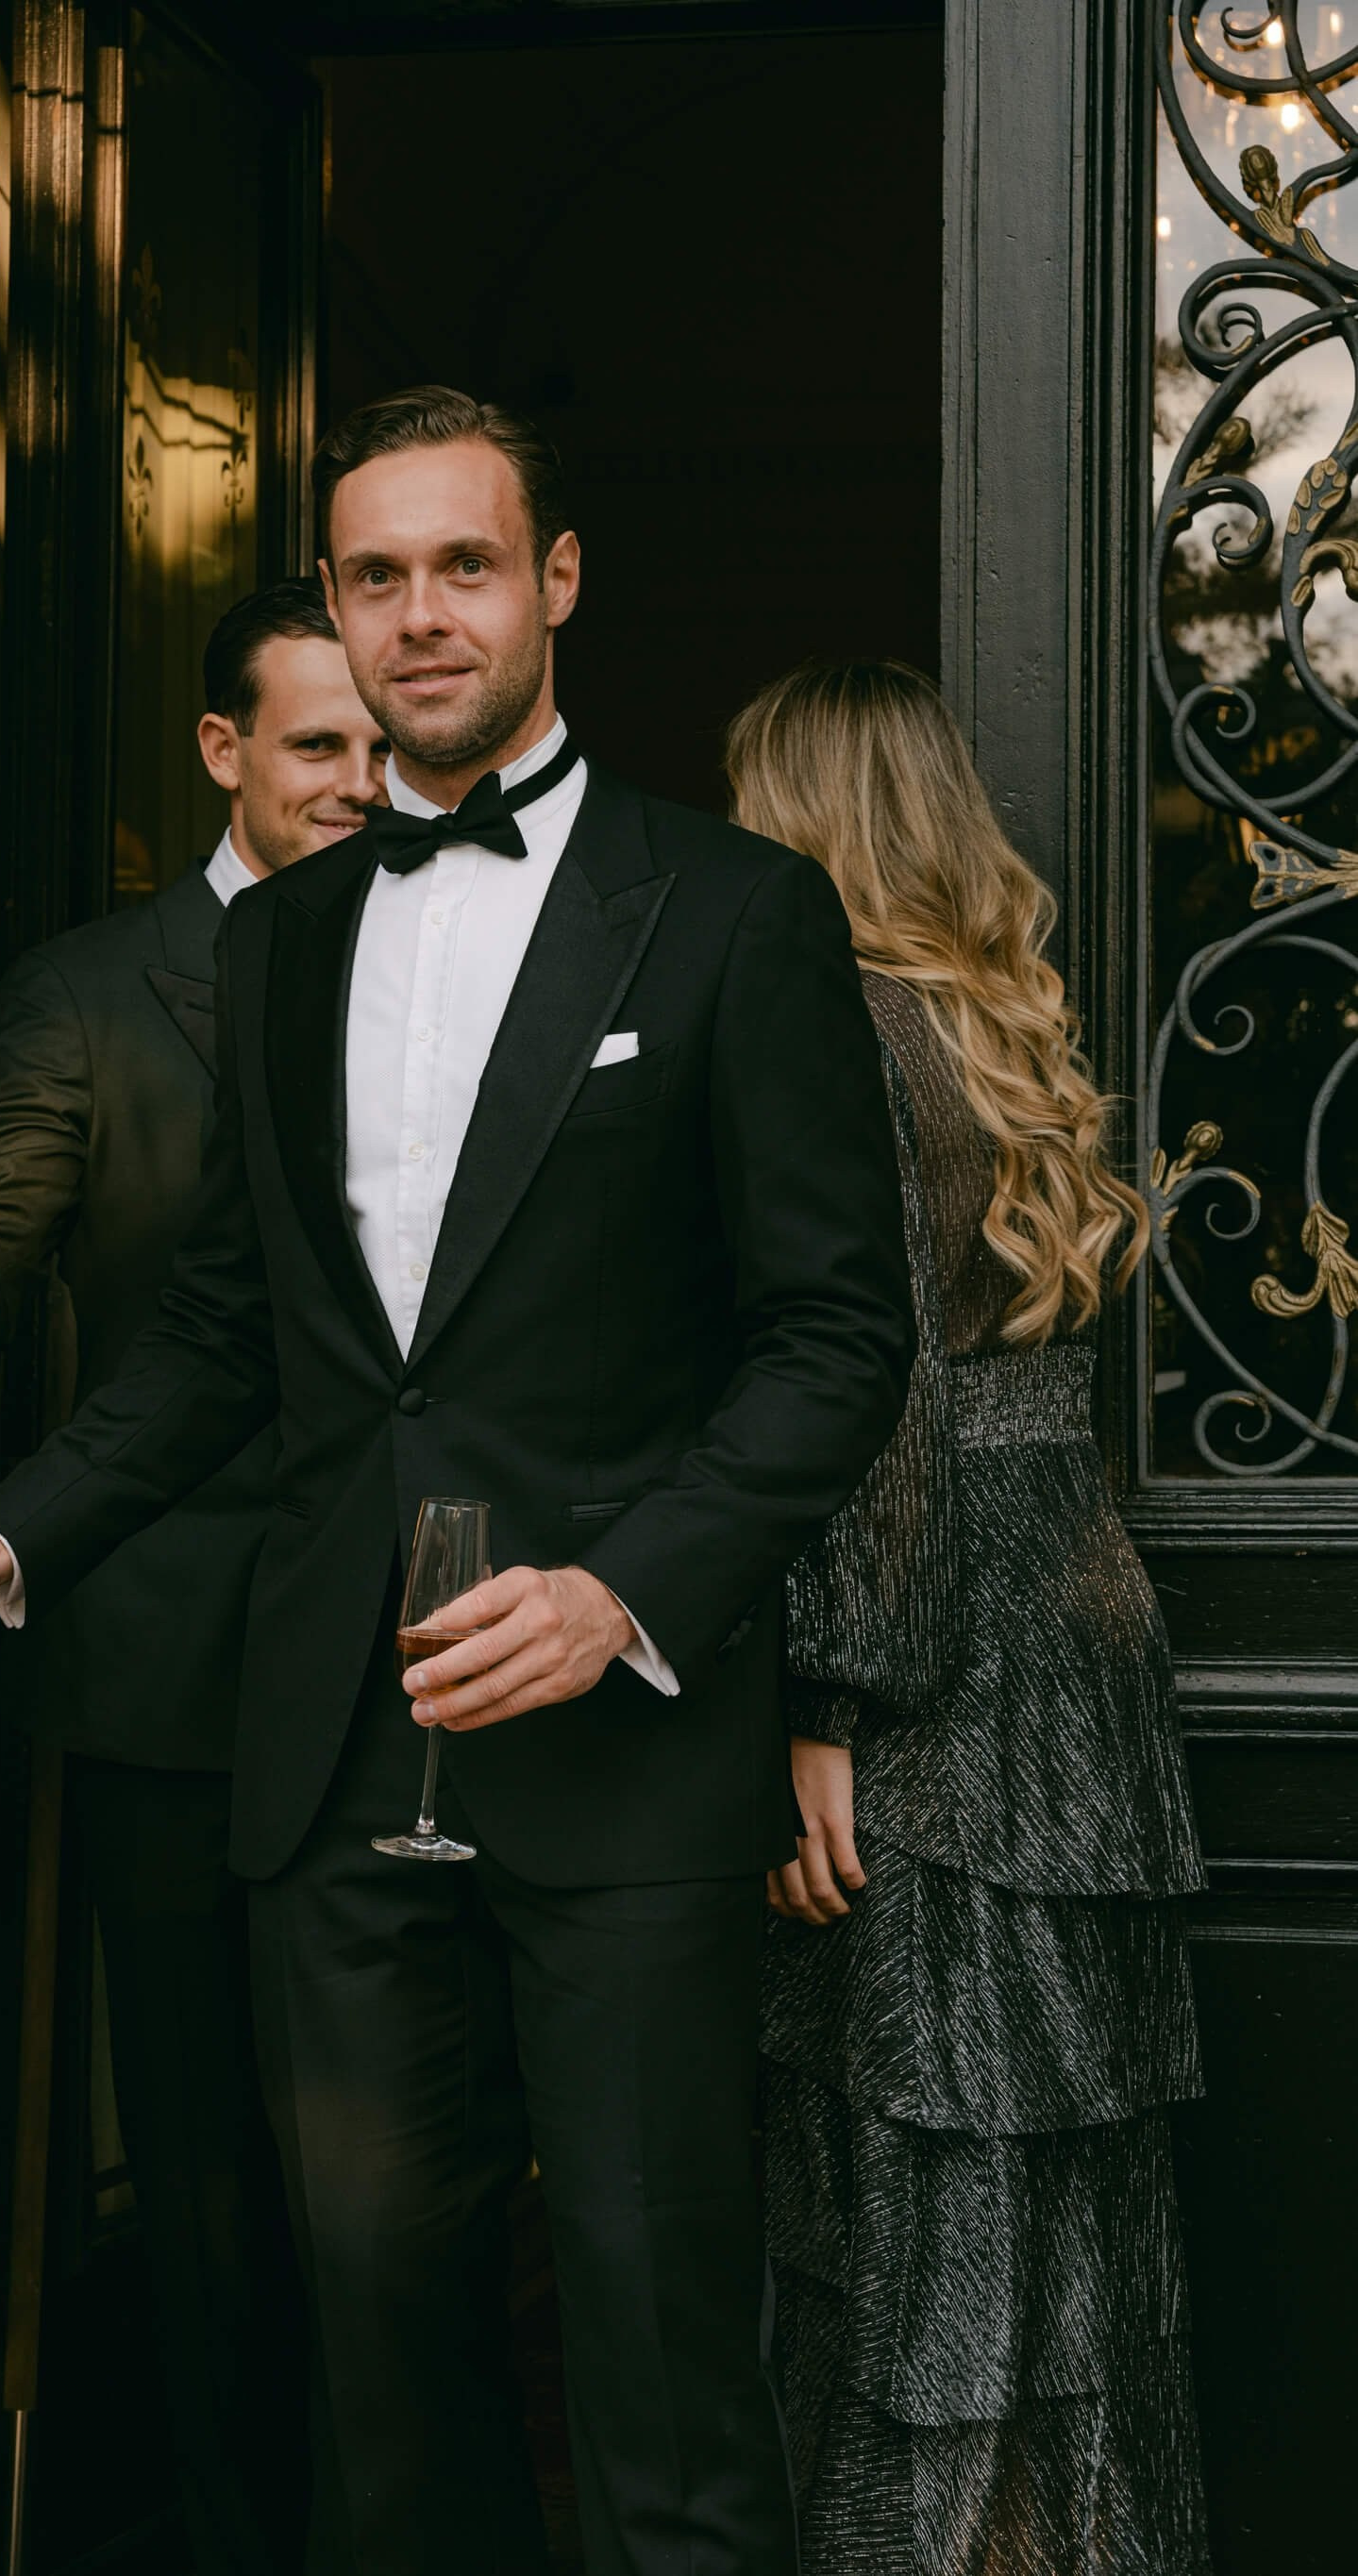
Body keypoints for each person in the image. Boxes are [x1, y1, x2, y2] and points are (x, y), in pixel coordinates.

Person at [0, 388, 916, 2576]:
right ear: (332, 603)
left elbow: (836, 1345)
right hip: (331, 1768)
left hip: (618, 1765)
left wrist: (627, 1593)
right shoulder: (277, 942)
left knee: (654, 2363)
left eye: (467, 566)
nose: (423, 616)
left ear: (557, 582)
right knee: (383, 2383)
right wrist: (12, 1525)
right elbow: (235, 1332)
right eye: (379, 576)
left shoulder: (730, 915)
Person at [0, 576, 389, 2576]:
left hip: (442, 1656)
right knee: (222, 2191)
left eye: (381, 747)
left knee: (411, 2181)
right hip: (181, 1673)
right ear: (226, 751)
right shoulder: (90, 992)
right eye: (315, 744)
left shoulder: (462, 950)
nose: (358, 780)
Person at [729, 661, 1212, 2575]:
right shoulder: (1003, 1026)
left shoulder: (839, 1030)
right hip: (1076, 1629)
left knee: (930, 2193)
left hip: (931, 1655)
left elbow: (880, 1393)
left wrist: (825, 1695)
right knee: (1052, 2200)